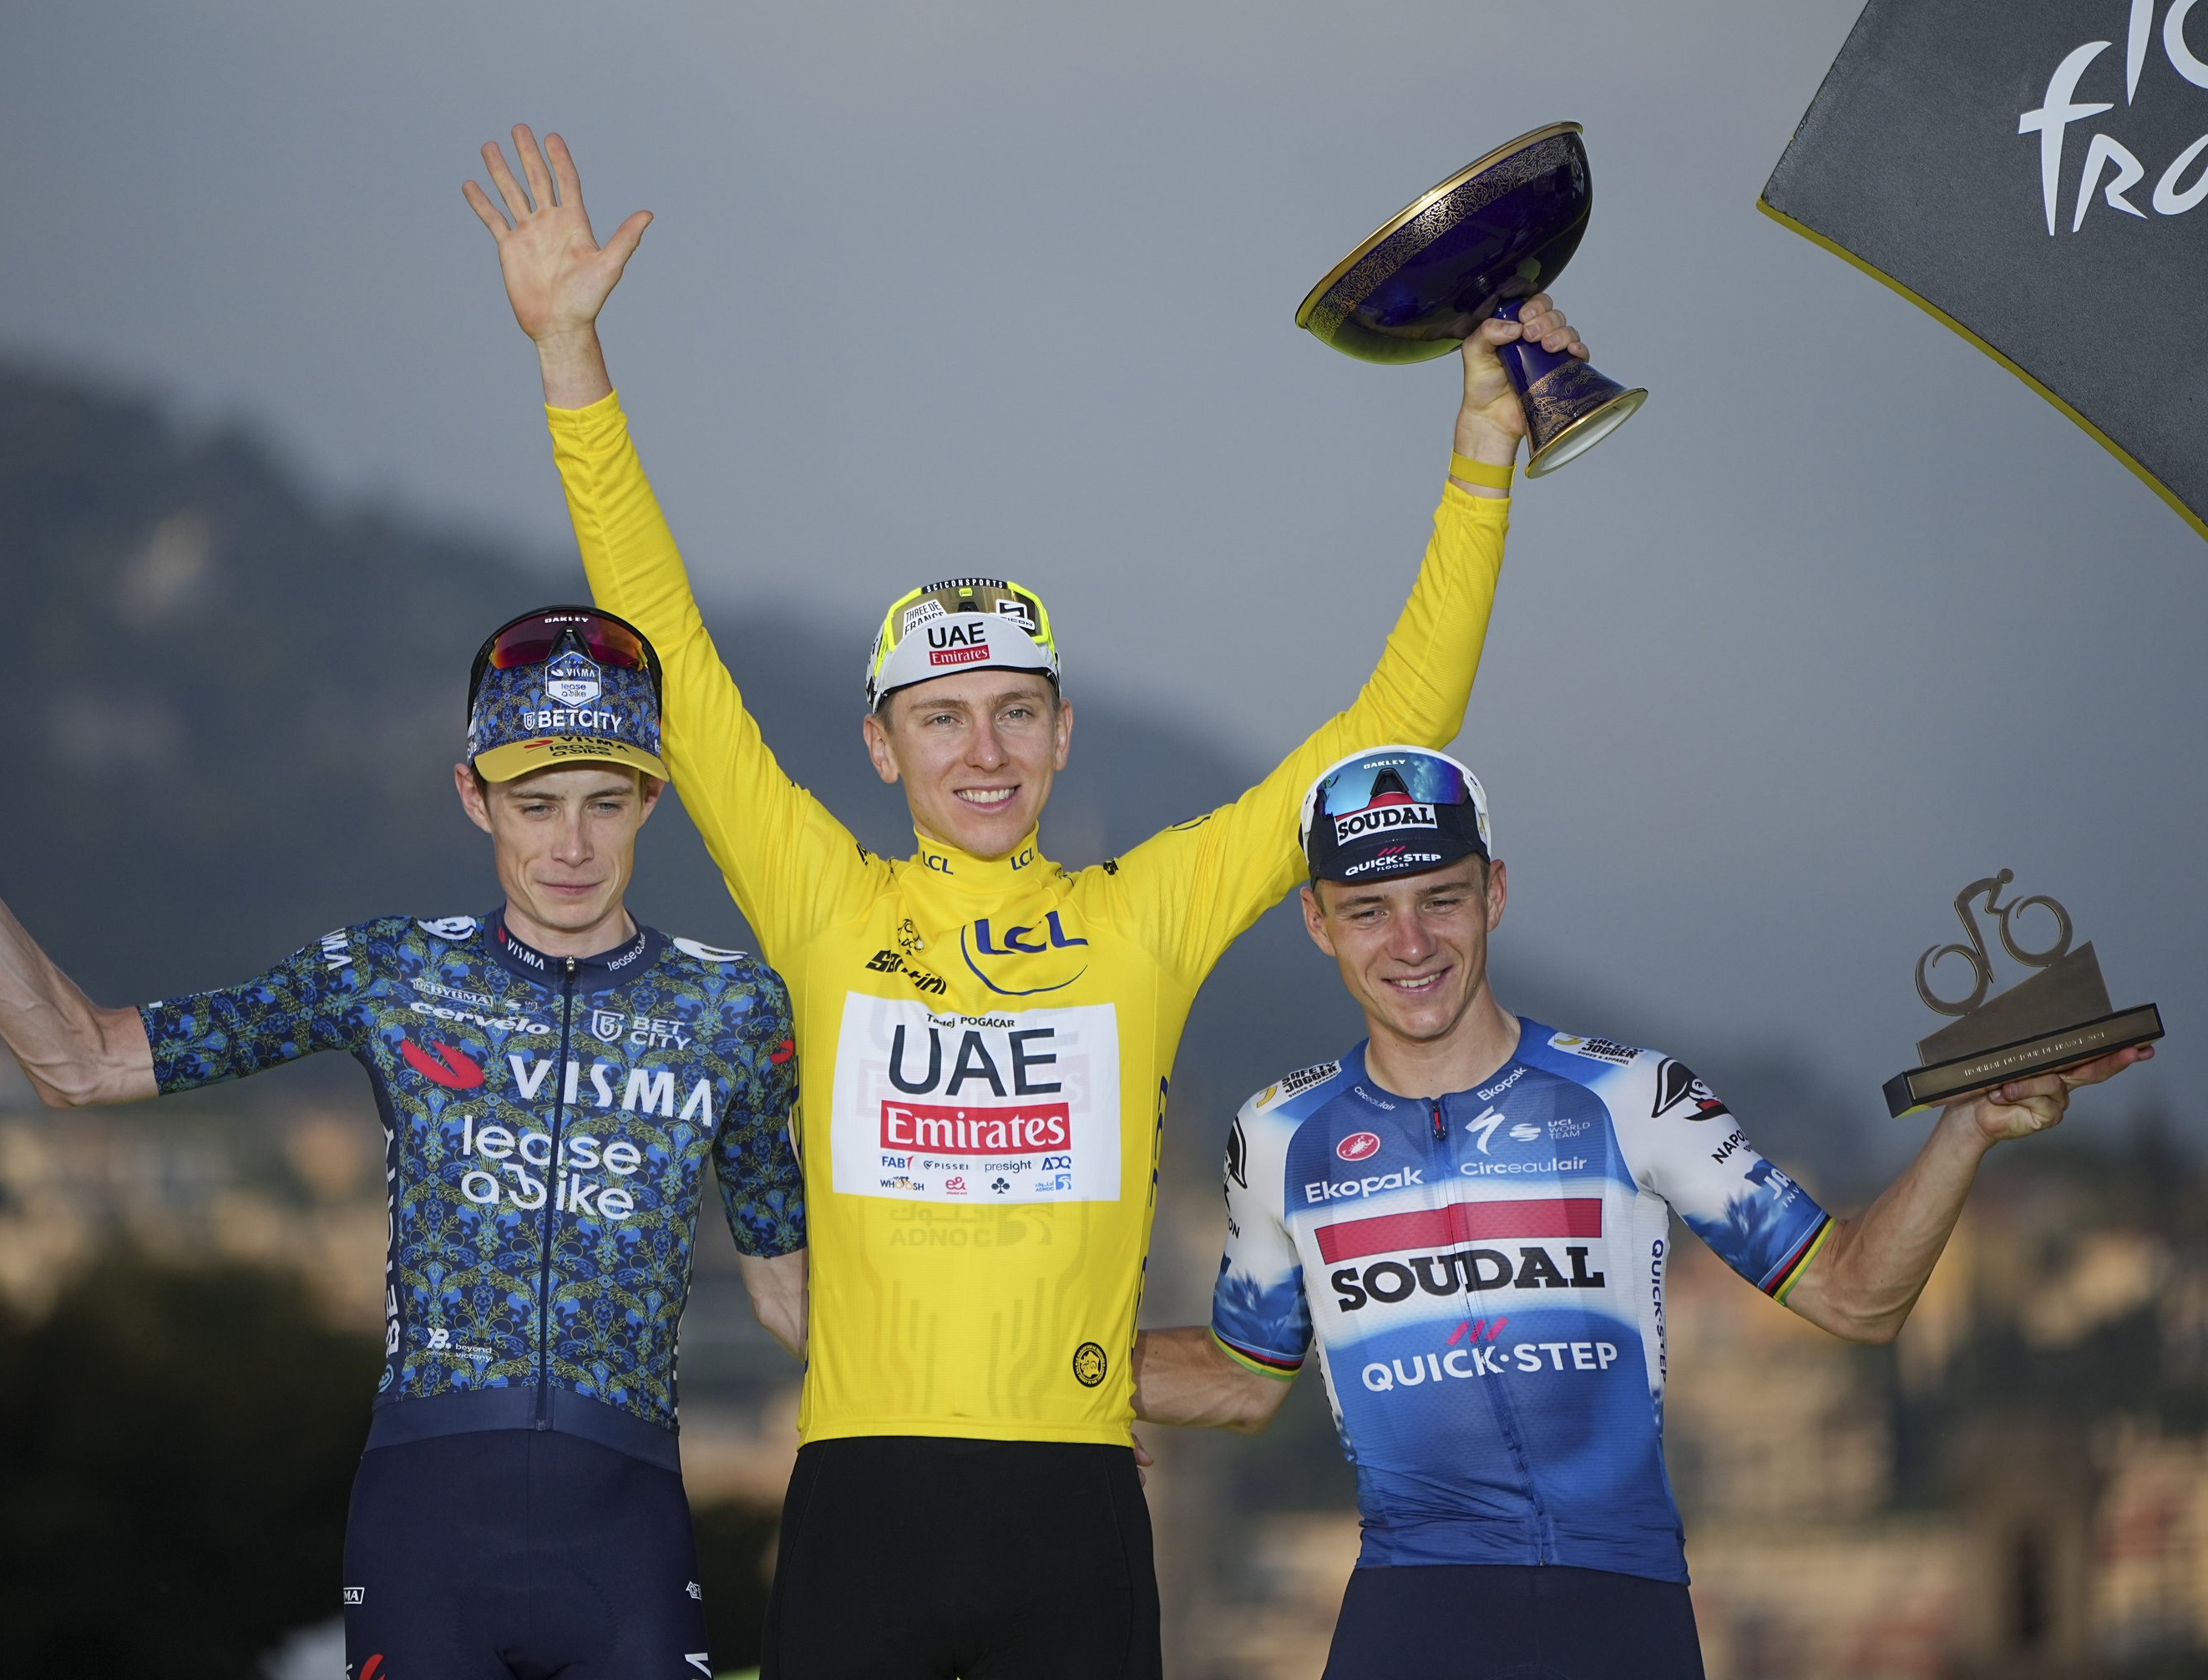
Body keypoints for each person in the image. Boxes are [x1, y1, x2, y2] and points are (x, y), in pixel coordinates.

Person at [464, 126, 1591, 1679]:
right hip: (863, 1490)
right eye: (941, 714)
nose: (981, 749)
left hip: (1073, 1497)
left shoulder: (1145, 911)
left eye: (1014, 711)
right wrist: (571, 356)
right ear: (880, 745)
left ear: (1064, 734)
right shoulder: (822, 896)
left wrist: (1478, 454)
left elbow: (1394, 721)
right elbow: (661, 636)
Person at [0, 605, 807, 1680]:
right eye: (535, 804)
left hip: (629, 1532)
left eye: (604, 803)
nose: (573, 845)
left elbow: (789, 1295)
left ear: (652, 796)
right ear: (474, 797)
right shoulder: (387, 972)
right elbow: (80, 1060)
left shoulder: (731, 1008)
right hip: (428, 1525)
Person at [1132, 744, 2156, 1680]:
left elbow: (1856, 1297)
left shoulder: (1633, 1095)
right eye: (1368, 910)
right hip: (1412, 1609)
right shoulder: (1277, 1133)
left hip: (1617, 1606)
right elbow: (1241, 1378)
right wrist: (1033, 1378)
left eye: (1440, 899)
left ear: (1493, 892)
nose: (1409, 941)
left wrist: (1967, 1129)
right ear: (1317, 919)